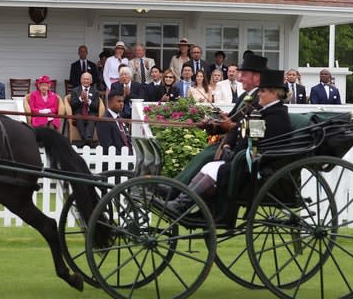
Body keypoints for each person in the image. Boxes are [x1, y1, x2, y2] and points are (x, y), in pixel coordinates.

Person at [162, 69, 292, 219]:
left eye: (263, 91)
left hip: (259, 165)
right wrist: (223, 133)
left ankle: (183, 204)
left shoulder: (277, 115)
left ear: (274, 93)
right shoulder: (265, 111)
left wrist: (236, 143)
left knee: (216, 169)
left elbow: (254, 139)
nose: (259, 94)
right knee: (210, 167)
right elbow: (243, 130)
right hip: (245, 158)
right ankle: (185, 204)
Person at [172, 53, 268, 185]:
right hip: (230, 142)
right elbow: (230, 119)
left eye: (244, 74)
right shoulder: (245, 96)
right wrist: (212, 124)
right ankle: (176, 189)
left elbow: (251, 124)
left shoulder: (262, 97)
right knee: (204, 154)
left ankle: (175, 190)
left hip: (240, 147)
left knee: (205, 156)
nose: (240, 79)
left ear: (257, 77)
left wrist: (230, 126)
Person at [97, 90, 132, 154]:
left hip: (127, 159)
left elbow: (127, 140)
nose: (121, 104)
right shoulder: (104, 120)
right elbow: (107, 145)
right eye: (118, 101)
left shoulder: (120, 119)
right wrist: (122, 158)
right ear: (109, 103)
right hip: (113, 161)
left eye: (122, 101)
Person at [69, 72, 100, 145]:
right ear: (81, 80)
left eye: (88, 79)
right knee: (79, 117)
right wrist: (80, 98)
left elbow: (96, 106)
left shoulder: (95, 91)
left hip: (90, 113)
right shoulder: (75, 90)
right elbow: (72, 105)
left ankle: (86, 140)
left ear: (91, 81)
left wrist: (88, 101)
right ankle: (88, 141)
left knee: (92, 118)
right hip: (79, 113)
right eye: (84, 79)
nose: (86, 81)